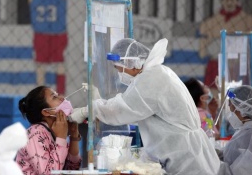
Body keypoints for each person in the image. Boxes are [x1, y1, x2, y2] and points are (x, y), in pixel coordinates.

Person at [70, 38, 221, 174]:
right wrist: (99, 105)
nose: (119, 73)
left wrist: (90, 109)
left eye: (119, 68)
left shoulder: (151, 79)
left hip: (186, 159)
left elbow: (123, 109)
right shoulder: (158, 73)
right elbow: (135, 107)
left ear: (133, 64)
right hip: (189, 152)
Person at [14, 0, 83, 94]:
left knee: (60, 65)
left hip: (58, 33)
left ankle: (61, 96)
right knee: (40, 67)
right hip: (41, 34)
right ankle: (41, 97)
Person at [199, 0, 252, 90]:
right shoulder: (212, 21)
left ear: (237, 1)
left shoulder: (248, 21)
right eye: (226, 0)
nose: (229, 2)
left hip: (238, 62)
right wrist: (203, 52)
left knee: (236, 91)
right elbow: (204, 43)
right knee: (214, 91)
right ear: (222, 2)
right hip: (217, 62)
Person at [16, 86, 82, 174]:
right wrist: (61, 138)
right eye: (54, 97)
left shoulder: (53, 131)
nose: (62, 98)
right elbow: (48, 173)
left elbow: (72, 169)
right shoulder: (35, 134)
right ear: (46, 112)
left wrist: (73, 136)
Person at [220, 85, 252, 175]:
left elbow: (241, 172)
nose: (230, 113)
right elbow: (230, 153)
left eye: (231, 108)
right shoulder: (247, 129)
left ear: (242, 110)